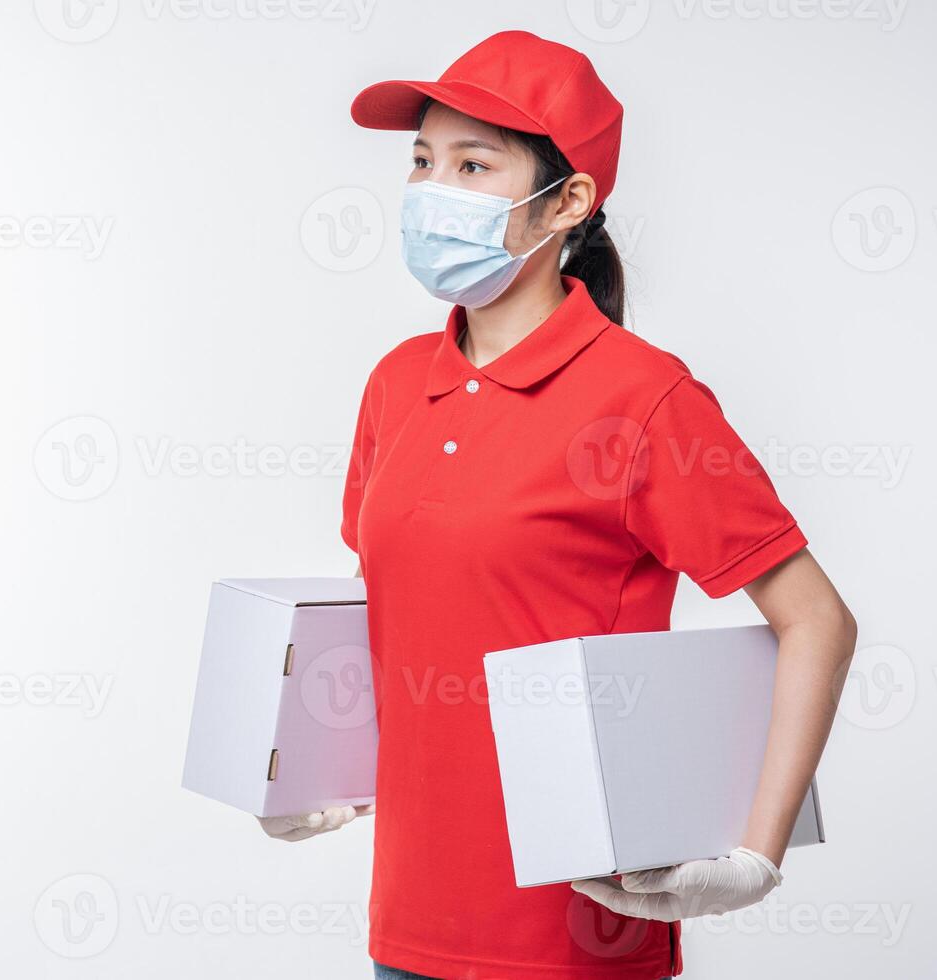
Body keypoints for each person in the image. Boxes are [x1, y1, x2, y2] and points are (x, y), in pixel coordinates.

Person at [258, 30, 857, 979]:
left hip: (574, 935)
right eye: (421, 162)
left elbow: (816, 620)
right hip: (407, 920)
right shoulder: (394, 383)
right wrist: (301, 762)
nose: (429, 190)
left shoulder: (645, 400)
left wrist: (756, 852)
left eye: (471, 164)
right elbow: (387, 600)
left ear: (568, 201)